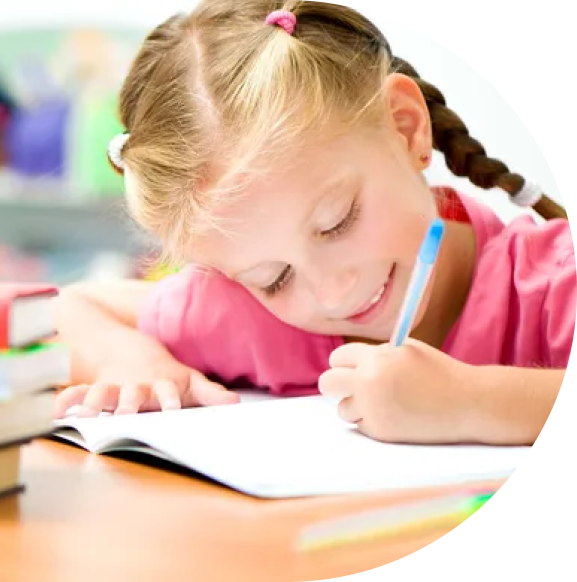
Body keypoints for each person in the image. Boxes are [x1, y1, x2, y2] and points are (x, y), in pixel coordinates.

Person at [54, 1, 573, 446]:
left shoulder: (553, 283)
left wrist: (468, 403)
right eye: (272, 278)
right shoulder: (253, 318)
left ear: (405, 128)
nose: (331, 293)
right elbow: (72, 306)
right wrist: (131, 362)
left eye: (337, 223)